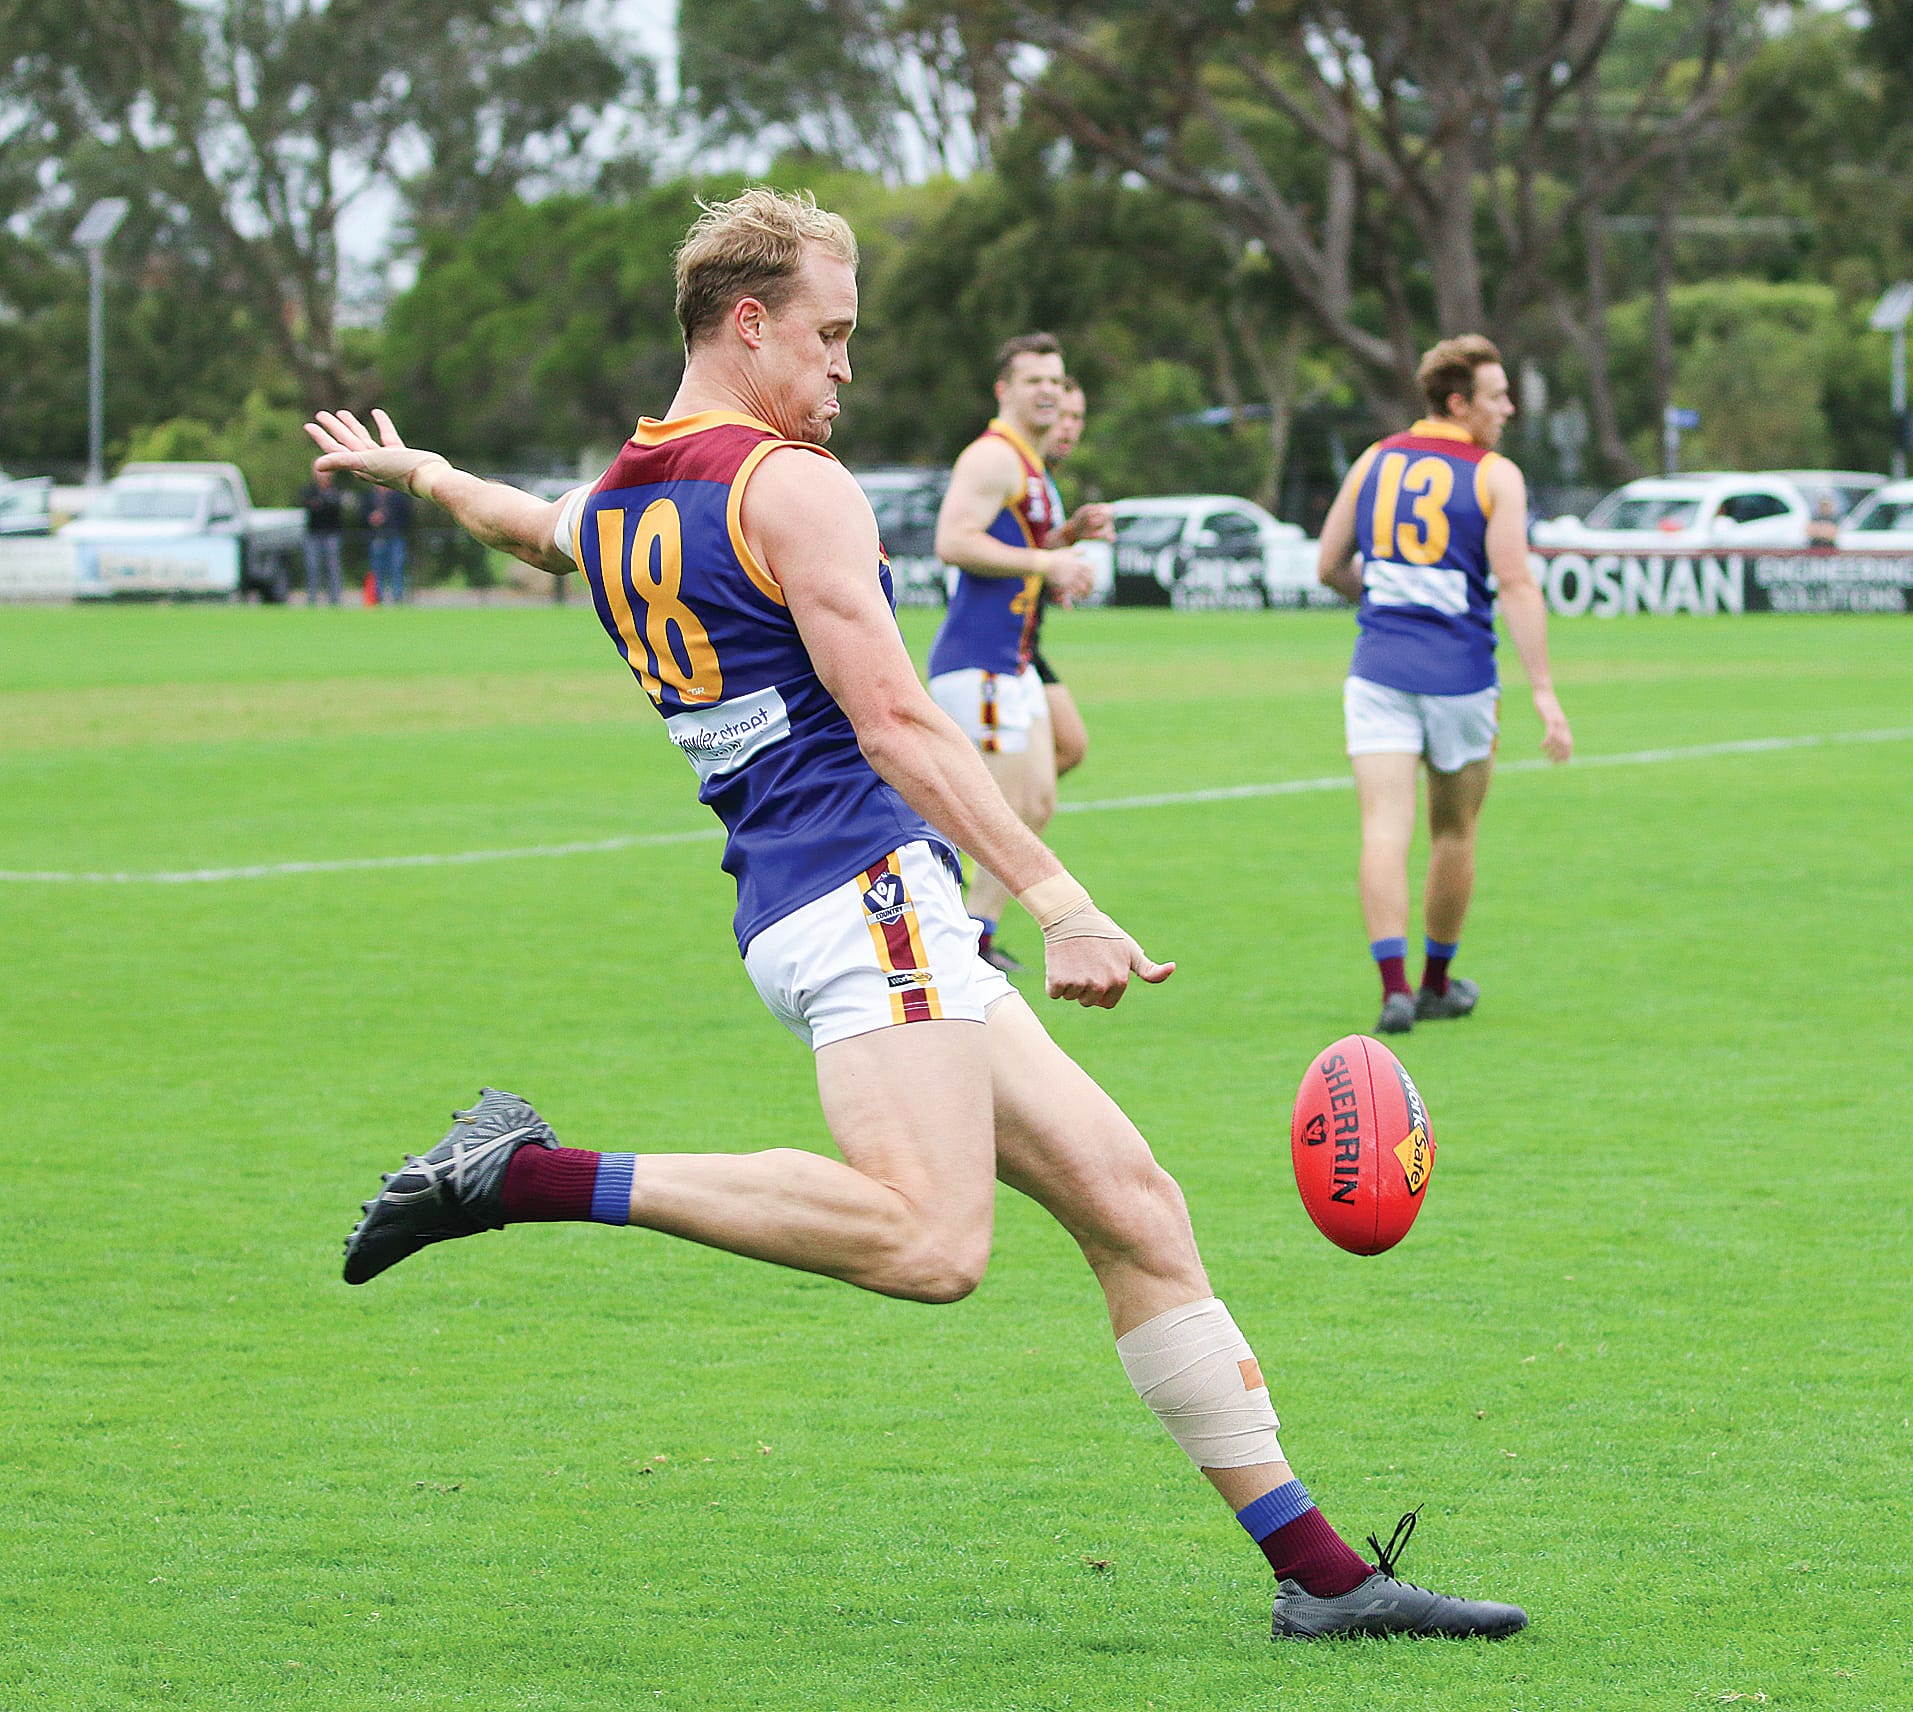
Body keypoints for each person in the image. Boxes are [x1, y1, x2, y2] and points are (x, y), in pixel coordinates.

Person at [306, 188, 1525, 1642]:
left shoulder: (631, 488)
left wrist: (426, 472)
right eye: (830, 338)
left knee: (1135, 1208)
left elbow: (530, 530)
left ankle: (1322, 1580)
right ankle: (525, 1174)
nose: (844, 371)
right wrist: (1060, 899)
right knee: (931, 1246)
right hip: (863, 894)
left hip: (823, 902)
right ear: (747, 323)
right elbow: (895, 718)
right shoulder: (791, 487)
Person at [1316, 334, 1573, 1036]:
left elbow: (1327, 562)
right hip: (1459, 677)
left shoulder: (1375, 459)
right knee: (1453, 830)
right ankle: (1434, 983)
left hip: (1377, 671)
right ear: (1458, 403)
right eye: (1495, 397)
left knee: (1382, 828)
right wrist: (1543, 690)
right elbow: (1515, 581)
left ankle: (1392, 988)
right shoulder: (1495, 476)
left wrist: (1376, 599)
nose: (1508, 409)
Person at [925, 335, 1098, 974]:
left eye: (1056, 379)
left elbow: (1021, 541)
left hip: (1012, 662)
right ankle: (961, 940)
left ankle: (978, 935)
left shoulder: (1031, 463)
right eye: (1034, 381)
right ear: (1005, 390)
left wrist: (1064, 545)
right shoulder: (993, 456)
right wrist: (1045, 560)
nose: (1049, 391)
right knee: (999, 813)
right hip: (978, 663)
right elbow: (954, 540)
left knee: (1036, 803)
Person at [1030, 379, 1112, 779]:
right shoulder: (1014, 470)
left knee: (1068, 747)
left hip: (1025, 640)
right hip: (995, 644)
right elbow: (982, 550)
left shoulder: (1045, 481)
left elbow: (1034, 551)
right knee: (1064, 747)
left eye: (1077, 417)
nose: (1068, 427)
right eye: (1061, 415)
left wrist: (1060, 567)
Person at [299, 468, 345, 605]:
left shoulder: (335, 490)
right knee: (312, 566)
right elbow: (306, 505)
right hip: (313, 533)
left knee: (333, 566)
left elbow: (335, 506)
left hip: (331, 533)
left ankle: (335, 598)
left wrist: (322, 503)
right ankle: (312, 597)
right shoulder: (310, 490)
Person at [367, 482, 413, 603]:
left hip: (395, 536)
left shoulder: (399, 497)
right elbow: (363, 513)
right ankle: (378, 596)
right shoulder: (371, 497)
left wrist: (387, 518)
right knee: (377, 568)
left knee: (396, 567)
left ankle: (398, 596)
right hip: (377, 537)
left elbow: (407, 516)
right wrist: (372, 518)